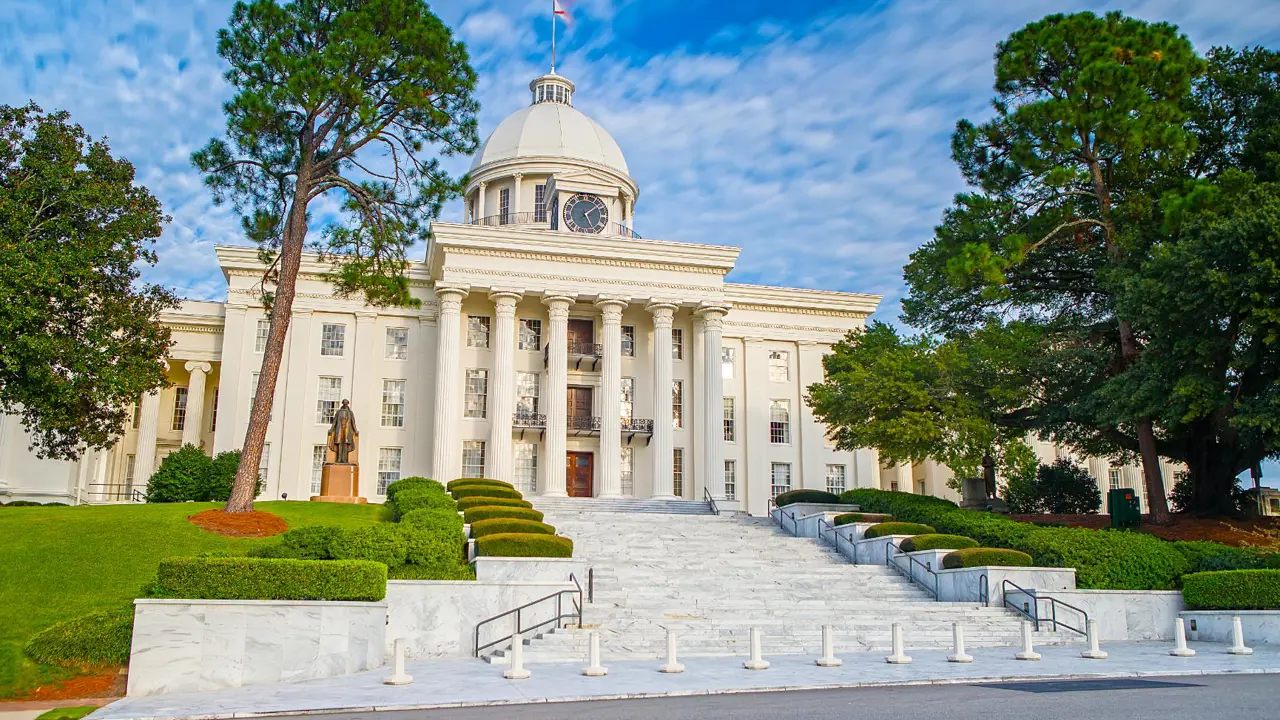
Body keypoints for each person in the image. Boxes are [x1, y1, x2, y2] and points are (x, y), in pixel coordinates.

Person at [329, 399, 358, 464]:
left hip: (347, 430)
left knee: (345, 444)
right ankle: (339, 458)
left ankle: (344, 459)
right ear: (342, 403)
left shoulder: (350, 412)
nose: (345, 404)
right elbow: (335, 421)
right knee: (339, 443)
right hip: (339, 429)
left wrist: (355, 430)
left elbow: (353, 422)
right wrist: (331, 429)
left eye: (346, 403)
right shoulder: (338, 412)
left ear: (348, 403)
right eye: (344, 402)